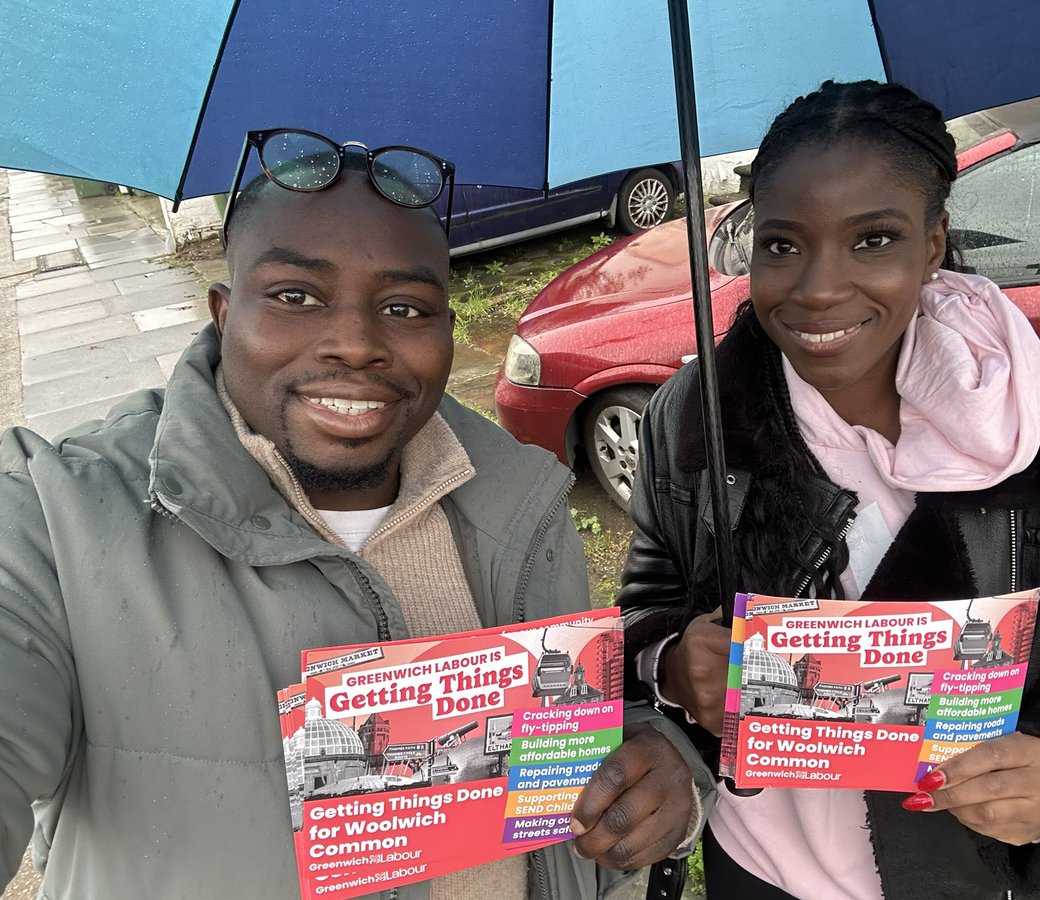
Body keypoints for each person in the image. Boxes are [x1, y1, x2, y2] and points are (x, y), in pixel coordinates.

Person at [0, 142, 713, 899]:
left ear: (447, 328)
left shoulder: (524, 503)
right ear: (223, 313)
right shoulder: (57, 520)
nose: (356, 344)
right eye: (295, 295)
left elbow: (574, 745)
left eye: (403, 308)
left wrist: (661, 770)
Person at [618, 80, 1040, 900]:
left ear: (933, 243)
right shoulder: (694, 418)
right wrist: (670, 662)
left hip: (956, 875)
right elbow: (647, 601)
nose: (818, 288)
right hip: (753, 866)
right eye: (782, 244)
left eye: (873, 240)